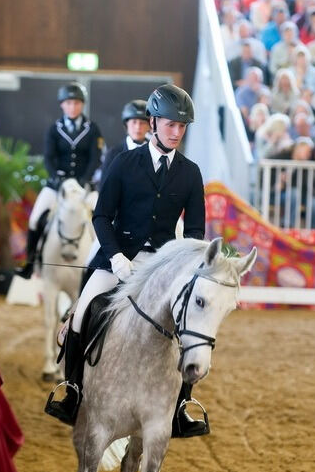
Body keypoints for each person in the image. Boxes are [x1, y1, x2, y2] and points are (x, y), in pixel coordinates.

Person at [45, 84, 210, 439]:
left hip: (163, 266)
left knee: (189, 324)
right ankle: (72, 390)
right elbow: (102, 216)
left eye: (182, 127)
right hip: (119, 257)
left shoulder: (190, 172)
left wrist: (185, 264)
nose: (177, 132)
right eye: (170, 125)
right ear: (152, 122)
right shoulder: (123, 162)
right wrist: (117, 257)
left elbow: (196, 230)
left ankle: (182, 406)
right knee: (85, 309)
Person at [16, 82, 103, 279]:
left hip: (84, 185)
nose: (73, 107)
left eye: (77, 103)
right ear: (62, 105)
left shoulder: (92, 129)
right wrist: (58, 178)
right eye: (69, 103)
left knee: (103, 220)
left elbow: (95, 158)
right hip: (58, 185)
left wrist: (83, 180)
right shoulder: (54, 129)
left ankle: (102, 265)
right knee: (35, 218)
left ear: (82, 105)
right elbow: (48, 158)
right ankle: (29, 264)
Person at [102, 100, 149, 178]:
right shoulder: (113, 154)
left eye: (142, 123)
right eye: (134, 122)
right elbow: (104, 187)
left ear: (149, 126)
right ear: (126, 124)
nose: (138, 127)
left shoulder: (156, 153)